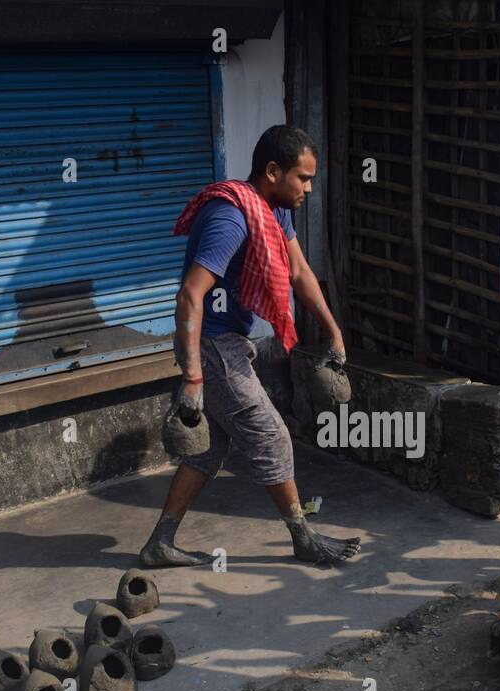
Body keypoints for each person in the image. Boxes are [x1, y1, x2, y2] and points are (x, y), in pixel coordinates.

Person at [139, 125, 361, 568]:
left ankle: (159, 543)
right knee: (274, 436)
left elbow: (299, 272)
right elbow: (190, 294)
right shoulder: (232, 217)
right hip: (213, 348)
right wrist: (192, 376)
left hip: (229, 344)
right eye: (303, 178)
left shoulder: (274, 211)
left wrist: (333, 331)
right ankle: (302, 537)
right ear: (273, 171)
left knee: (208, 450)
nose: (309, 188)